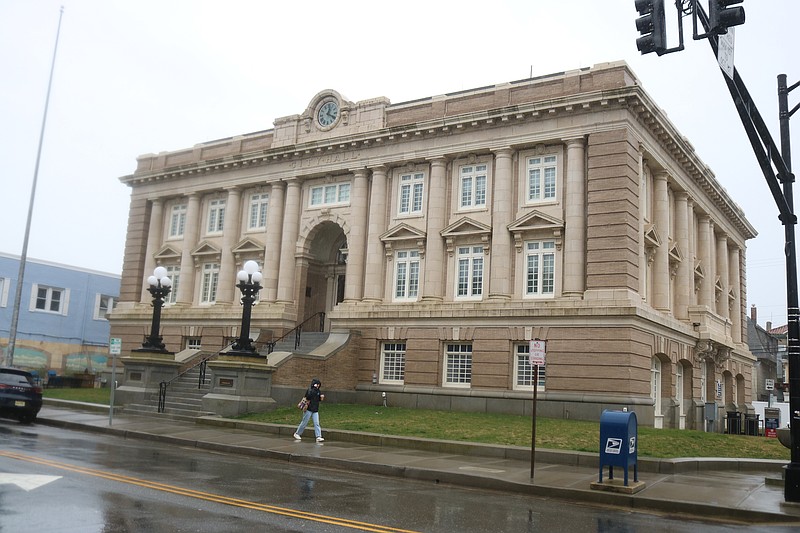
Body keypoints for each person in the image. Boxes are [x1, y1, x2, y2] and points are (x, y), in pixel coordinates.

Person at [293, 378, 325, 442]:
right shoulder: (310, 390)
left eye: (318, 384)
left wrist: (321, 398)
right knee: (304, 422)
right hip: (308, 409)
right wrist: (314, 390)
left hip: (315, 409)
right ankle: (297, 433)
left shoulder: (318, 391)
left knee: (317, 423)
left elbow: (318, 399)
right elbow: (308, 397)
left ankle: (318, 436)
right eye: (316, 384)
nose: (318, 386)